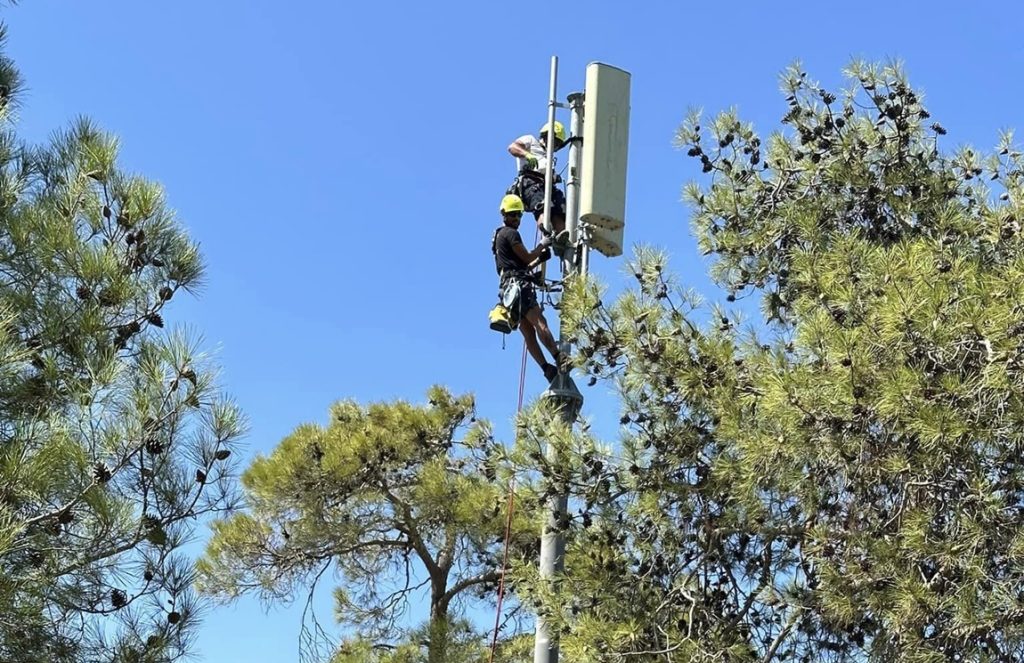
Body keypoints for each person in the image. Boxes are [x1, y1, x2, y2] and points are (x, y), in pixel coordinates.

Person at [491, 194, 564, 381]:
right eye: (513, 215)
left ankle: (546, 368)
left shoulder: (498, 237)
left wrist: (539, 258)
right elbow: (526, 257)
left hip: (508, 292)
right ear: (504, 214)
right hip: (519, 287)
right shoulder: (510, 233)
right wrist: (542, 246)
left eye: (519, 215)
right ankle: (559, 357)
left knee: (528, 332)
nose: (516, 219)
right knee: (540, 322)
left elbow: (518, 265)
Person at [507, 121, 569, 254]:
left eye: (558, 145)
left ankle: (561, 237)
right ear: (547, 136)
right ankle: (547, 232)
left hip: (546, 184)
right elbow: (512, 147)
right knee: (541, 205)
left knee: (560, 207)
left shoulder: (548, 156)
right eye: (555, 142)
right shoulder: (530, 140)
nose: (555, 147)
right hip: (531, 182)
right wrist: (527, 155)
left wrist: (554, 177)